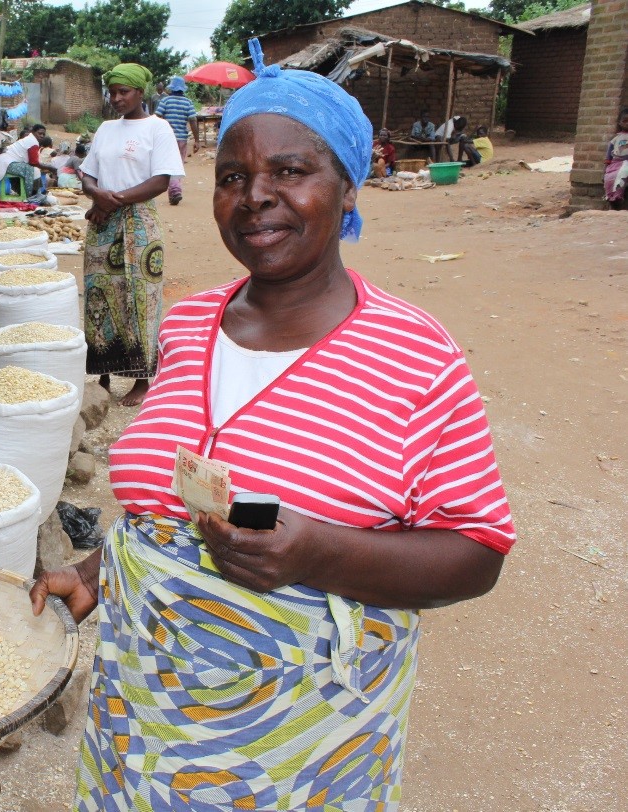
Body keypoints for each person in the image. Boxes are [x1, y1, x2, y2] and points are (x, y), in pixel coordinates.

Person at [31, 39, 515, 811]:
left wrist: (317, 552)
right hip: (145, 717)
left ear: (349, 188)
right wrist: (96, 576)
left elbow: (476, 553)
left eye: (290, 171)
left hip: (301, 741)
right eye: (233, 177)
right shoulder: (189, 325)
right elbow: (178, 507)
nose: (255, 195)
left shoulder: (414, 355)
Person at [79, 63, 184, 407]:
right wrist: (98, 195)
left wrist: (112, 200)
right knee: (99, 294)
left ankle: (142, 378)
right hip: (102, 224)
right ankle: (104, 374)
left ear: (141, 92)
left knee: (139, 296)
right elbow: (88, 175)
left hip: (139, 223)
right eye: (112, 92)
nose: (117, 98)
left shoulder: (159, 128)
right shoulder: (106, 129)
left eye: (124, 92)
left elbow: (162, 180)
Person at [155, 76, 201, 205]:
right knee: (177, 164)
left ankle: (175, 190)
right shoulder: (188, 102)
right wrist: (197, 140)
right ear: (183, 89)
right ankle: (175, 190)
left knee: (169, 164)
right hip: (182, 139)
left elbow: (157, 117)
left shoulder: (165, 101)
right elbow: (193, 120)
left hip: (166, 138)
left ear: (171, 88)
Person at [0, 122, 55, 194]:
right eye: (39, 133)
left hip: (5, 162)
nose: (42, 136)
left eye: (43, 134)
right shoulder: (32, 142)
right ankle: (32, 193)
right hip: (6, 164)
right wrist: (50, 168)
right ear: (33, 132)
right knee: (32, 170)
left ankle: (29, 193)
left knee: (34, 170)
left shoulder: (31, 140)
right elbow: (33, 162)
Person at [603, 107, 628, 209]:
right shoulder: (615, 139)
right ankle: (614, 200)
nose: (627, 123)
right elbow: (608, 156)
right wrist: (604, 170)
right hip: (616, 164)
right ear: (619, 123)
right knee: (610, 179)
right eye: (625, 121)